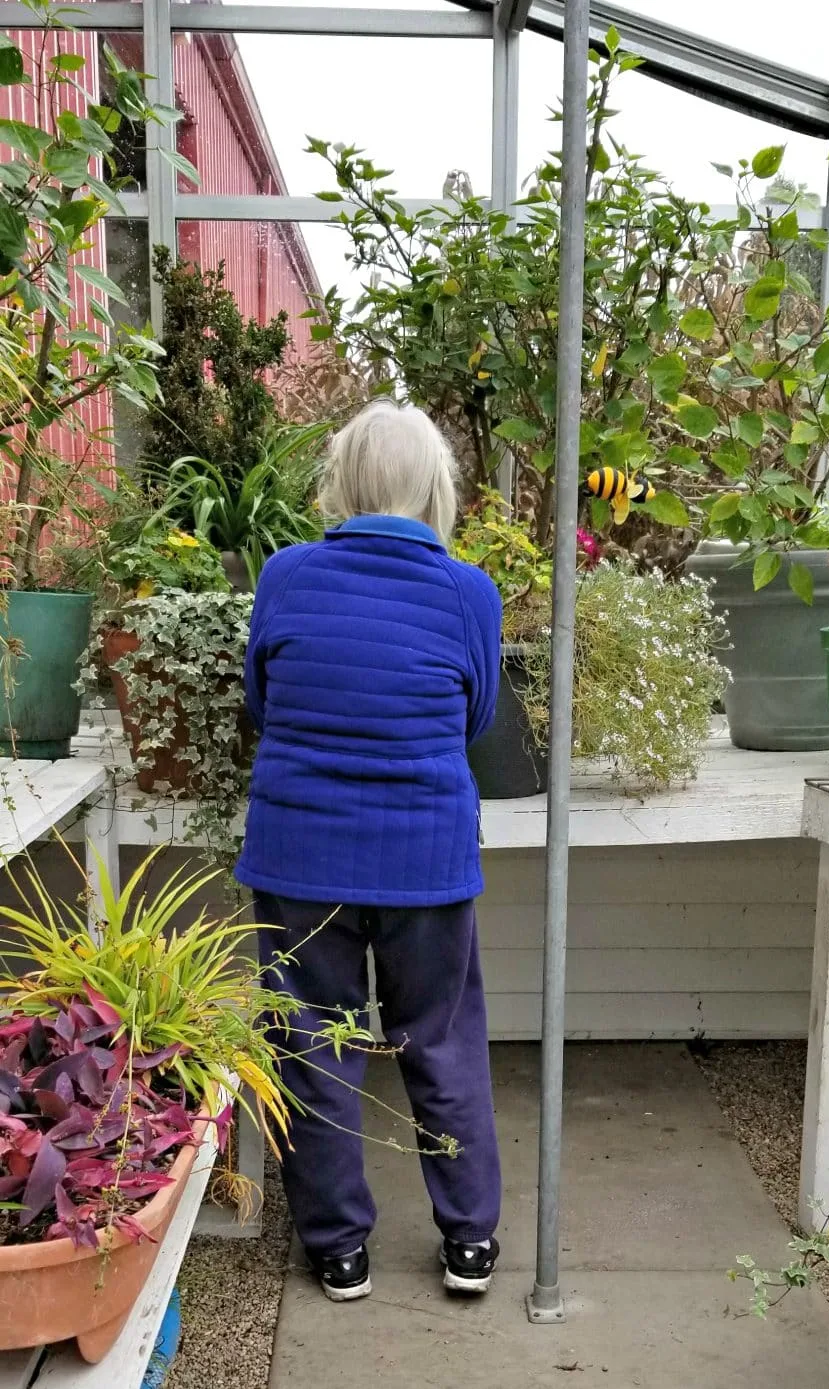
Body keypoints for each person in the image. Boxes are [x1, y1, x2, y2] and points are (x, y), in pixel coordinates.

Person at [235, 400, 503, 1304]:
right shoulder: (469, 592)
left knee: (314, 1042)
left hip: (302, 852)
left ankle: (337, 1249)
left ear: (342, 482)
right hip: (425, 857)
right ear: (436, 489)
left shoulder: (286, 574)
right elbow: (477, 718)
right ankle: (470, 1240)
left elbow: (263, 699)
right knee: (443, 1041)